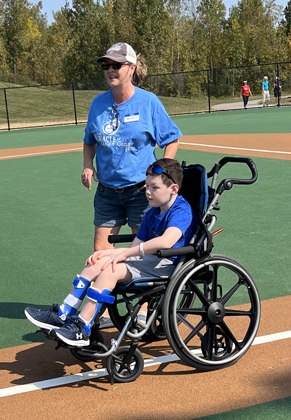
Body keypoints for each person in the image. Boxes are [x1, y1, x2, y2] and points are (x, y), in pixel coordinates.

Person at [25, 159, 196, 347]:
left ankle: (82, 327)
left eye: (154, 187)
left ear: (173, 189)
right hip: (150, 261)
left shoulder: (181, 210)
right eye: (146, 186)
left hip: (169, 265)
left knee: (110, 271)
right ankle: (64, 313)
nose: (147, 192)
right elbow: (135, 245)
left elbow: (166, 241)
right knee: (96, 263)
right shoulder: (152, 212)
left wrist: (127, 254)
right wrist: (108, 254)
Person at [82, 42, 182, 253]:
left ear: (132, 68)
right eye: (106, 66)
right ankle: (106, 286)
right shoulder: (98, 104)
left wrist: (161, 171)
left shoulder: (148, 102)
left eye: (116, 65)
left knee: (143, 252)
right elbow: (89, 140)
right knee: (101, 254)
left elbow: (172, 138)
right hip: (107, 192)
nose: (110, 70)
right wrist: (88, 166)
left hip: (141, 192)